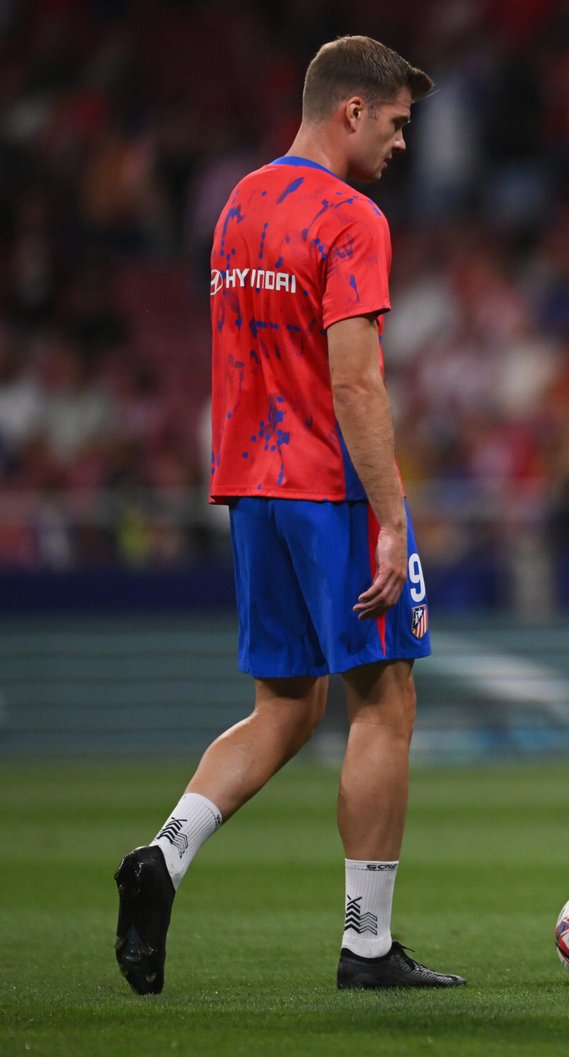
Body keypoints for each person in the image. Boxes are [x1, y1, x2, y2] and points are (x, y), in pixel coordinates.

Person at [113, 35, 465, 993]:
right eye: (395, 123)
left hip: (250, 484)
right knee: (384, 699)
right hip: (331, 488)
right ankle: (366, 943)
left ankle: (164, 855)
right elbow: (354, 379)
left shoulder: (239, 204)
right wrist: (392, 516)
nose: (401, 144)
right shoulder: (354, 217)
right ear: (352, 111)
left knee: (284, 703)